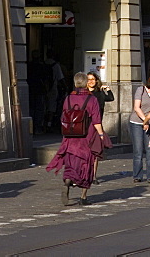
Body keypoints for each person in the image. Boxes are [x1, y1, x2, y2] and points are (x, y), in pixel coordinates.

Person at [47, 72, 106, 205]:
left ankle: (68, 181)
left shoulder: (68, 98)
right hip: (87, 135)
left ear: (75, 83)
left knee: (71, 161)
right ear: (86, 83)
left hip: (70, 135)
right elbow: (96, 120)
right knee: (86, 164)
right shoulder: (92, 99)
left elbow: (64, 116)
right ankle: (83, 197)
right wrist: (101, 135)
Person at [130, 72, 150, 183]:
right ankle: (137, 175)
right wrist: (145, 121)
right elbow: (136, 107)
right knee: (138, 150)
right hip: (136, 122)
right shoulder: (141, 90)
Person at [86, 72, 114, 183]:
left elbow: (110, 98)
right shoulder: (84, 94)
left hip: (97, 125)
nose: (91, 81)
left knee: (96, 152)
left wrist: (107, 89)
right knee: (85, 152)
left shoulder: (99, 93)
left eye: (93, 79)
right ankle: (85, 173)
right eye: (88, 79)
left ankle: (93, 176)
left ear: (97, 80)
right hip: (85, 126)